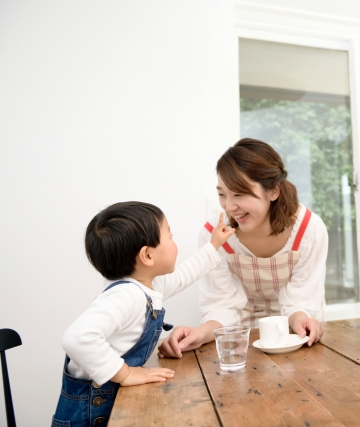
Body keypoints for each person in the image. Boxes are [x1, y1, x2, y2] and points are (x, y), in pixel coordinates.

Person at [52, 202, 234, 426]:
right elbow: (77, 338)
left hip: (112, 402)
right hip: (90, 412)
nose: (174, 242)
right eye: (170, 236)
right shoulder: (126, 296)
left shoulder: (148, 285)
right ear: (147, 255)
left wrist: (213, 244)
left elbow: (185, 273)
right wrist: (126, 374)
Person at [158, 138, 328, 358]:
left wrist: (302, 321)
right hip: (238, 336)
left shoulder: (309, 230)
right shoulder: (215, 236)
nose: (229, 206)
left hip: (293, 334)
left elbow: (300, 300)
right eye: (222, 194)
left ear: (274, 191)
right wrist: (201, 332)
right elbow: (222, 305)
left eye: (239, 194)